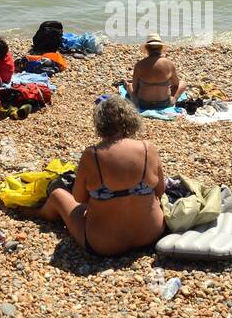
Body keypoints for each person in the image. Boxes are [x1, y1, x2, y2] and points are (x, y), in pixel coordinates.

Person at [30, 96, 165, 256]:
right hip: (150, 235)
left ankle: (35, 214)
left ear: (100, 123)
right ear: (131, 119)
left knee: (58, 195)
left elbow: (79, 198)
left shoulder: (92, 155)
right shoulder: (147, 148)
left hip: (104, 244)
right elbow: (160, 190)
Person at [126, 34, 185, 110]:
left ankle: (133, 98)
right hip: (164, 103)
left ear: (147, 49)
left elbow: (135, 87)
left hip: (143, 103)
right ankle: (174, 99)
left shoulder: (139, 65)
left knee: (129, 86)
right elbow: (176, 84)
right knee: (183, 83)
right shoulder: (169, 64)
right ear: (161, 48)